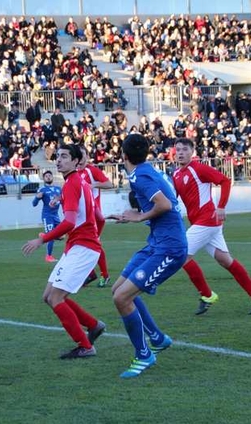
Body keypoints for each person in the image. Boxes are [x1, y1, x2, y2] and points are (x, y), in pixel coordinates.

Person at [106, 133, 187, 378]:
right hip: (156, 243)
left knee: (121, 298)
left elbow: (164, 204)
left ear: (124, 155)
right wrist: (132, 214)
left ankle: (144, 354)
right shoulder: (143, 172)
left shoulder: (141, 176)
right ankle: (157, 338)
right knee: (118, 290)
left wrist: (139, 216)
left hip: (169, 249)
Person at [22, 144, 106, 359]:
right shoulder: (79, 182)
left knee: (56, 298)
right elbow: (97, 217)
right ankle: (93, 325)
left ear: (77, 161)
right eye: (58, 156)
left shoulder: (72, 184)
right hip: (79, 246)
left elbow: (69, 222)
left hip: (83, 248)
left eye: (65, 156)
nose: (59, 160)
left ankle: (85, 346)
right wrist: (93, 234)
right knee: (48, 296)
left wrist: (42, 239)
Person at [172, 138, 251, 315]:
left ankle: (207, 295)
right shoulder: (176, 175)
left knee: (180, 256)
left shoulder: (198, 168)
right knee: (225, 260)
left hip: (208, 219)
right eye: (177, 149)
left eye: (184, 149)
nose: (180, 153)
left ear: (192, 152)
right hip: (204, 223)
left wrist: (222, 206)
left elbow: (225, 180)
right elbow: (172, 200)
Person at [78, 146, 115, 287]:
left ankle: (103, 275)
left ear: (87, 157)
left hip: (93, 215)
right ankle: (91, 274)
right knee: (83, 244)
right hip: (81, 216)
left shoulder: (91, 170)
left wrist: (94, 184)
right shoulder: (73, 173)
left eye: (83, 155)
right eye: (78, 156)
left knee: (92, 244)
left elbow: (109, 184)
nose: (81, 159)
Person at [32, 170, 62, 262]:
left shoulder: (58, 188)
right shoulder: (42, 190)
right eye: (46, 176)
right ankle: (48, 256)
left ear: (52, 177)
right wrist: (37, 197)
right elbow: (34, 204)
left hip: (56, 215)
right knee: (52, 236)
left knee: (62, 236)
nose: (48, 177)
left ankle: (45, 236)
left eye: (50, 175)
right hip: (47, 216)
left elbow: (63, 199)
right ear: (44, 179)